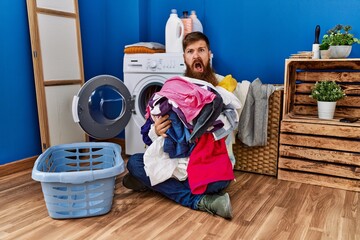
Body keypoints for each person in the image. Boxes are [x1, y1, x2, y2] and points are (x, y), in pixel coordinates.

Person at [122, 32, 236, 219]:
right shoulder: (174, 88)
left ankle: (153, 183)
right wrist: (156, 131)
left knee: (220, 181)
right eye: (190, 51)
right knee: (134, 162)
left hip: (210, 163)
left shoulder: (223, 88)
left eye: (201, 50)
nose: (196, 55)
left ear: (209, 54)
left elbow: (228, 128)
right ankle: (201, 201)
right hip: (174, 161)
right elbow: (147, 132)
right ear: (184, 57)